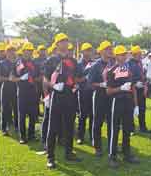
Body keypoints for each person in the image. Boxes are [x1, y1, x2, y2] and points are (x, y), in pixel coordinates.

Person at [44, 33, 83, 169]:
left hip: (70, 95)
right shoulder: (51, 60)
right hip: (57, 95)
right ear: (57, 44)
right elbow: (45, 79)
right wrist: (51, 88)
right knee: (53, 127)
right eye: (62, 41)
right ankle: (50, 157)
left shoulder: (73, 61)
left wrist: (77, 84)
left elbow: (78, 77)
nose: (65, 43)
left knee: (69, 126)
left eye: (66, 41)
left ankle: (69, 152)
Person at [106, 44, 139, 167]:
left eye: (125, 54)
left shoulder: (128, 69)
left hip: (128, 101)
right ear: (116, 56)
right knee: (115, 129)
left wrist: (136, 105)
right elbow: (108, 91)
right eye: (122, 54)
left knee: (127, 129)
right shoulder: (111, 71)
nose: (125, 56)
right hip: (117, 101)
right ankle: (112, 156)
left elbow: (133, 87)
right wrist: (120, 88)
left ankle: (127, 153)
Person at [87, 40, 114, 155]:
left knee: (111, 122)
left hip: (111, 95)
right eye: (107, 49)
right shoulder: (96, 65)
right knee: (98, 121)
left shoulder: (113, 63)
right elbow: (90, 83)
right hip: (99, 95)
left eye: (110, 49)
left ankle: (111, 145)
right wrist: (101, 85)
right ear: (102, 51)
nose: (110, 51)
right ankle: (97, 146)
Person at [14, 42, 40, 144]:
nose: (29, 53)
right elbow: (14, 76)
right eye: (27, 51)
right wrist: (21, 78)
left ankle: (31, 134)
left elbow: (38, 76)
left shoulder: (34, 64)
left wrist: (37, 78)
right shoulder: (19, 63)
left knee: (33, 114)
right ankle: (22, 136)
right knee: (22, 115)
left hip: (33, 91)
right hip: (22, 91)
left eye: (31, 51)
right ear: (23, 51)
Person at [76, 42, 95, 143]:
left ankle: (93, 136)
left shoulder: (94, 63)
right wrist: (84, 78)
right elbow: (75, 79)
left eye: (90, 50)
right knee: (82, 115)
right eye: (86, 50)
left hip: (92, 92)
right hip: (82, 92)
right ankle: (80, 136)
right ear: (82, 51)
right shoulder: (78, 64)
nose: (88, 52)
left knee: (93, 115)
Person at [0, 43, 18, 135]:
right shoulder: (1, 64)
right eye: (10, 51)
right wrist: (8, 79)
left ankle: (18, 127)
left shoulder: (18, 63)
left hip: (16, 87)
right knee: (5, 108)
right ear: (6, 53)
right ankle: (4, 128)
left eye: (13, 51)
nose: (12, 53)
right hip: (5, 87)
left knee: (17, 108)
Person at [129, 45, 149, 132]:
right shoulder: (129, 63)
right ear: (134, 54)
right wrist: (135, 83)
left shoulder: (139, 62)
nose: (141, 55)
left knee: (142, 109)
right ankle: (131, 128)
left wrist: (145, 85)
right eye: (139, 53)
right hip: (133, 89)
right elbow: (129, 77)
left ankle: (143, 127)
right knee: (132, 109)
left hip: (141, 89)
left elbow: (143, 75)